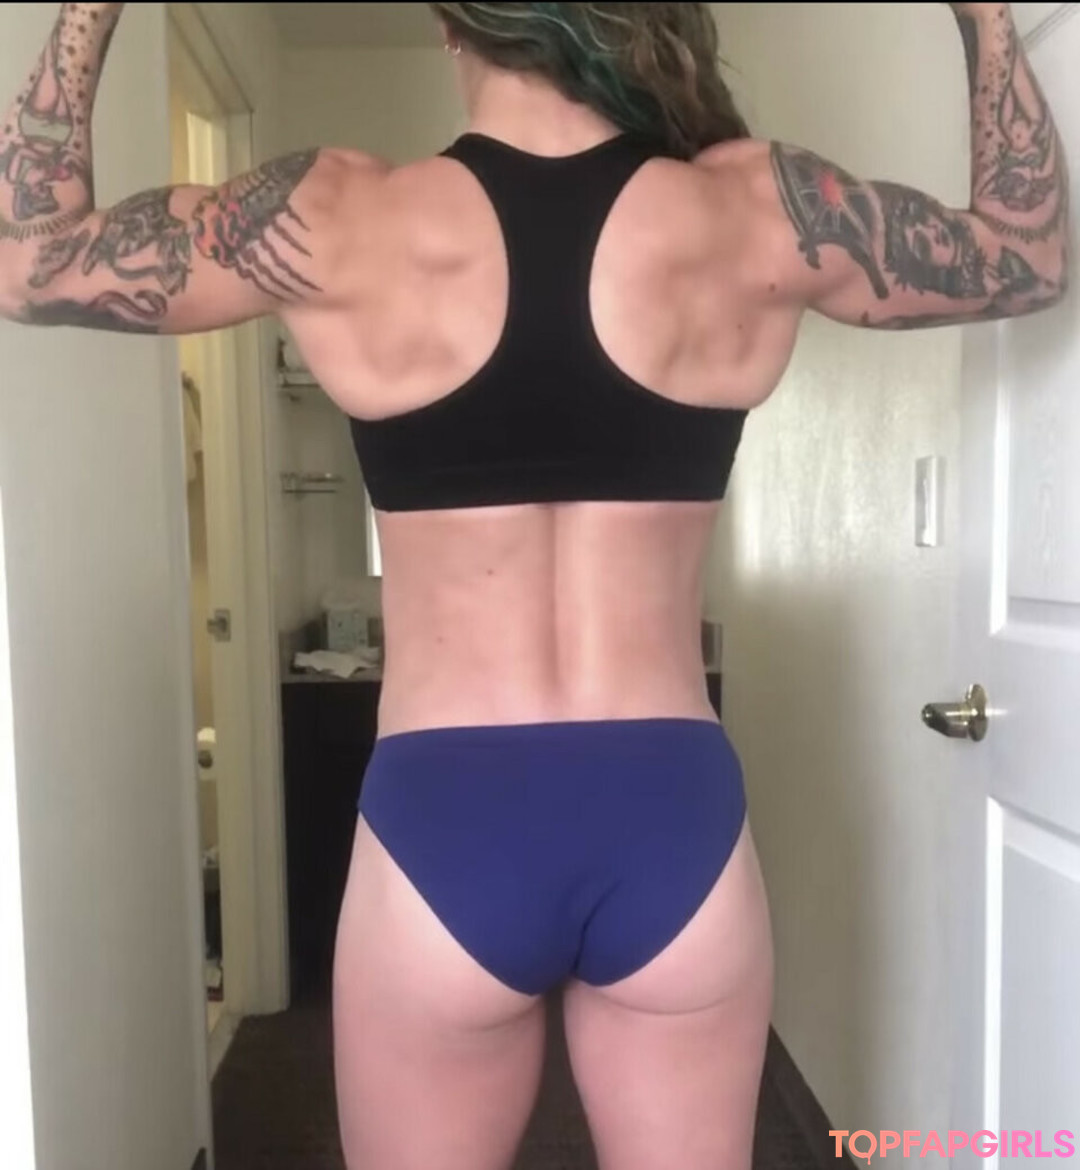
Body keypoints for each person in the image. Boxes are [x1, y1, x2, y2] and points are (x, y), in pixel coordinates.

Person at [0, 2, 1068, 1167]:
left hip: (445, 816)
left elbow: (33, 258)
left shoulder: (336, 214)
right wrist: (985, 14)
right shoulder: (755, 210)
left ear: (451, 27)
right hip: (670, 814)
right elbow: (1027, 253)